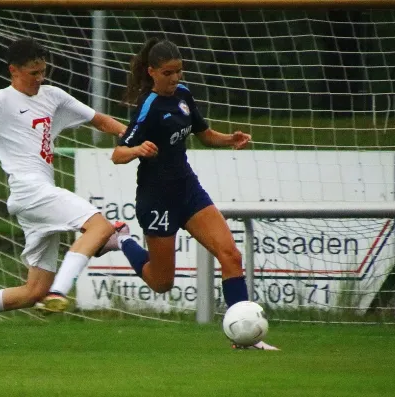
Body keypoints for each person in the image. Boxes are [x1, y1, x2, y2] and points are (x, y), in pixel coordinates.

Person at [0, 38, 130, 345]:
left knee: (33, 291)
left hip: (36, 196)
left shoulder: (53, 96)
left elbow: (98, 120)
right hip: (30, 191)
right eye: (33, 73)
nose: (40, 78)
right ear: (14, 71)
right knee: (100, 226)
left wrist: (130, 135)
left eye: (43, 71)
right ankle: (64, 286)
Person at [111, 38, 278, 350]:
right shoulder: (148, 108)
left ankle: (244, 339)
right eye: (168, 73)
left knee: (231, 255)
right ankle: (121, 239)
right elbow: (117, 154)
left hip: (188, 190)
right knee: (162, 283)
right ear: (152, 72)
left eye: (179, 72)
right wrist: (136, 149)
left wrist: (230, 139)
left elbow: (204, 135)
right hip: (156, 199)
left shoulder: (184, 95)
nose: (175, 78)